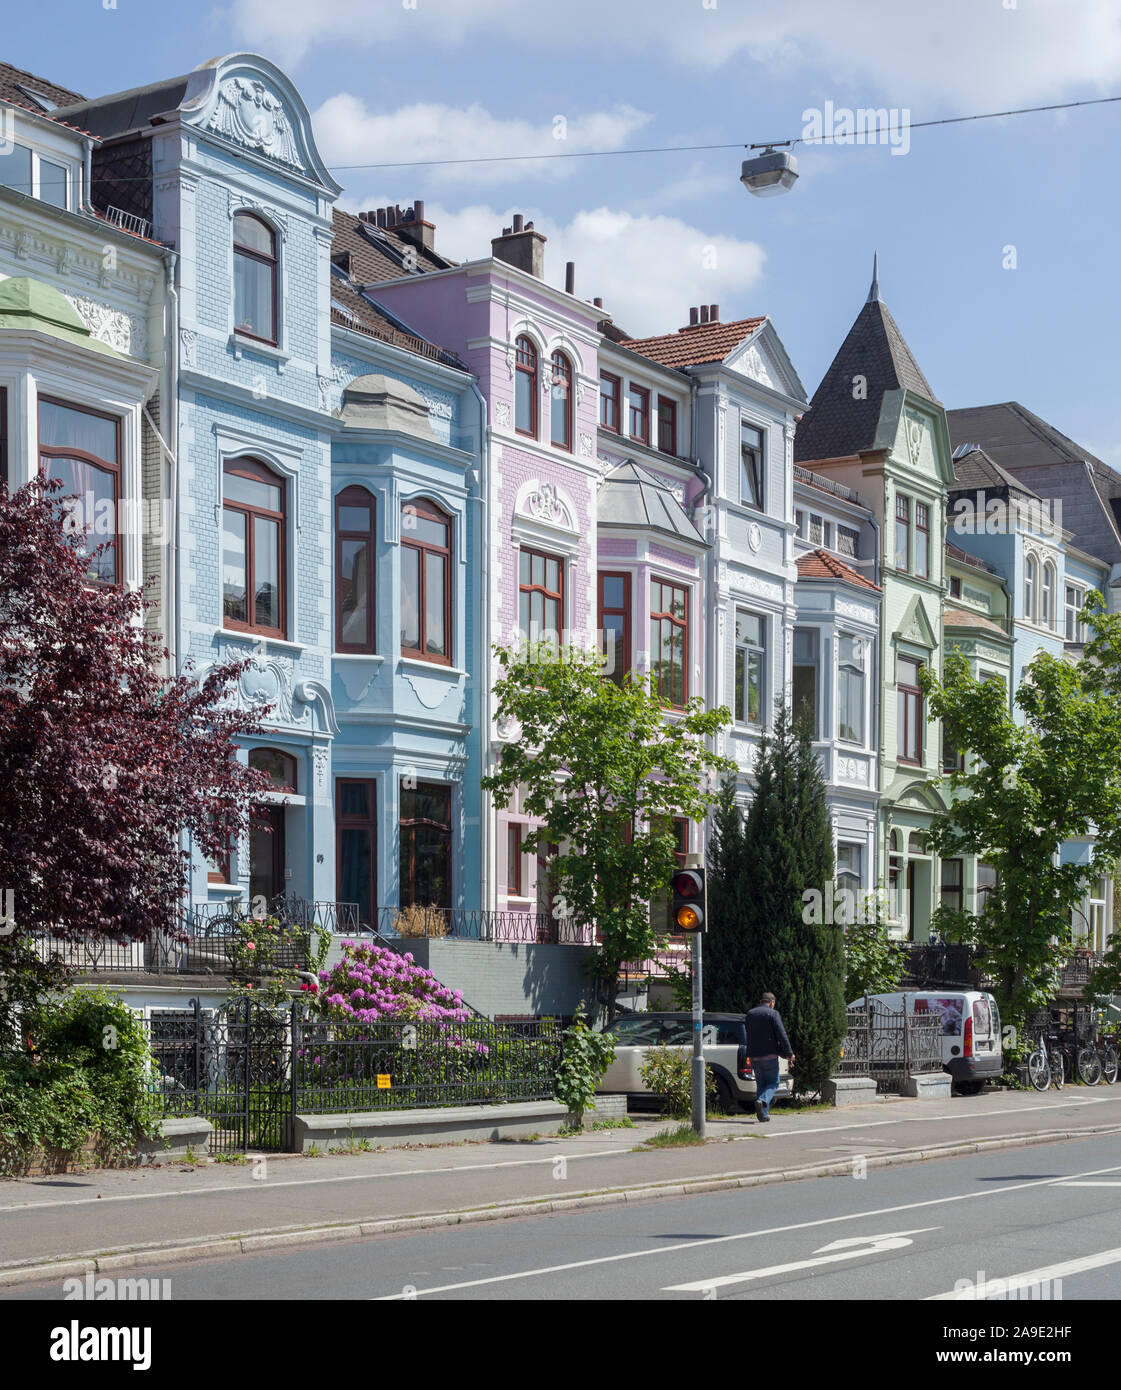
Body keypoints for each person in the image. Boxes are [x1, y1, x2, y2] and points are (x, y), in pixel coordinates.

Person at [746, 992, 794, 1122]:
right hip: (769, 1055)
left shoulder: (750, 1014)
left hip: (754, 1056)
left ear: (762, 1001)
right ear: (772, 1002)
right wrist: (789, 1053)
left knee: (761, 1083)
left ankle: (763, 1114)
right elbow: (781, 1034)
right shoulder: (773, 1014)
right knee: (773, 1082)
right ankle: (762, 1101)